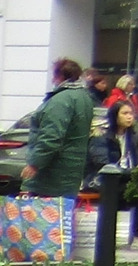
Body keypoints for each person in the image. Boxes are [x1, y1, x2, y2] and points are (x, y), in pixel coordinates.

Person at [23, 59, 95, 199]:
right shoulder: (84, 97)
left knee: (45, 217)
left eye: (54, 76)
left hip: (53, 175)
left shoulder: (60, 100)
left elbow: (51, 137)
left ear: (60, 76)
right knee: (63, 216)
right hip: (72, 171)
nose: (52, 79)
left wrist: (35, 163)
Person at [100, 97, 138, 240]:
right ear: (114, 115)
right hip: (108, 180)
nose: (129, 117)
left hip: (128, 177)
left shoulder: (135, 135)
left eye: (131, 113)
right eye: (124, 113)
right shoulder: (103, 135)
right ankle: (114, 238)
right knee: (135, 190)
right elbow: (102, 162)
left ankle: (137, 233)